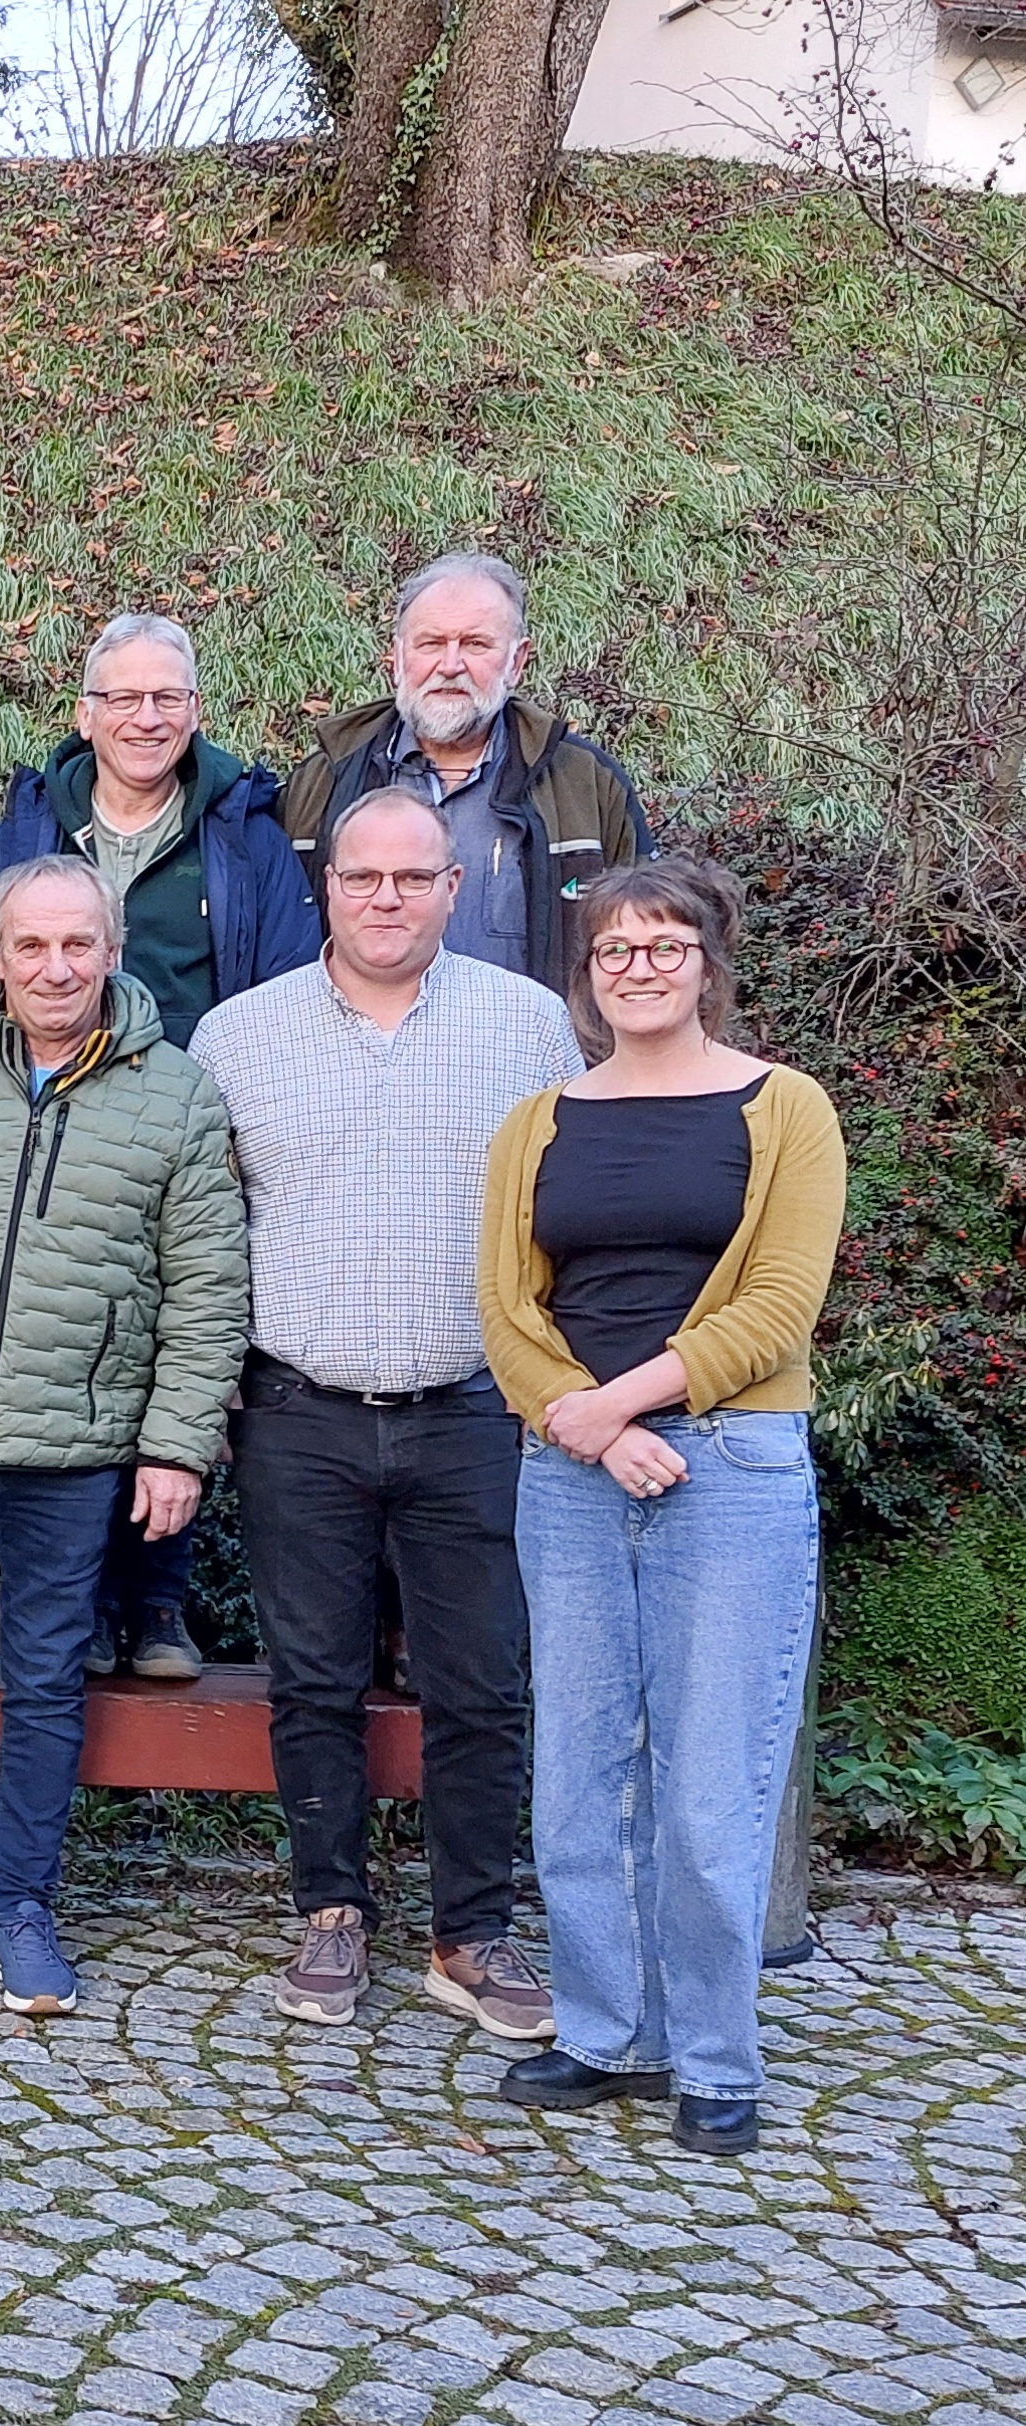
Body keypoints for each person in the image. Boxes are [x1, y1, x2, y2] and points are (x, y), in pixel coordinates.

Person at [188, 790, 582, 2039]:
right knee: (310, 1677)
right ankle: (330, 1911)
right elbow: (200, 1238)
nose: (386, 898)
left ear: (452, 890)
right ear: (325, 884)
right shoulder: (237, 1036)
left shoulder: (527, 1028)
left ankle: (470, 1931)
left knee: (480, 1682)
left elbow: (565, 1218)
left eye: (413, 878)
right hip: (295, 1406)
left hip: (469, 1406)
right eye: (362, 876)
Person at [0, 858, 249, 2024]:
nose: (54, 968)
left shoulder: (174, 1094)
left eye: (77, 944)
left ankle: (20, 1902)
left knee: (44, 1686)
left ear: (112, 948)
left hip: (75, 1448)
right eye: (29, 947)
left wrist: (174, 1444)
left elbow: (206, 1286)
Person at [483, 862, 844, 2159]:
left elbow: (777, 1305)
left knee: (709, 1783)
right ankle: (600, 2032)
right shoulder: (539, 1120)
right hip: (569, 1474)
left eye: (664, 943)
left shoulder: (783, 1108)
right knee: (579, 1775)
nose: (638, 965)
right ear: (587, 974)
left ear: (709, 960)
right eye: (615, 949)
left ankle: (711, 2054)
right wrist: (578, 1421)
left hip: (729, 1467)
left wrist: (618, 1407)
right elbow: (507, 1307)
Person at [0, 612, 314, 1684]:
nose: (144, 716)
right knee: (63, 1349)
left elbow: (284, 981)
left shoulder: (243, 831)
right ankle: (60, 1600)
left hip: (184, 1131)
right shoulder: (25, 831)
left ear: (195, 711)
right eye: (121, 696)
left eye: (166, 696)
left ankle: (160, 1601)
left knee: (173, 1349)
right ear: (84, 713)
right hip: (46, 1119)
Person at [278, 551, 651, 992]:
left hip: (534, 1056)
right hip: (356, 1054)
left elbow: (649, 938)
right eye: (430, 643)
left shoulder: (584, 784)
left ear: (516, 661)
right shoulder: (324, 782)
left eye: (476, 644)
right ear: (397, 659)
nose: (450, 665)